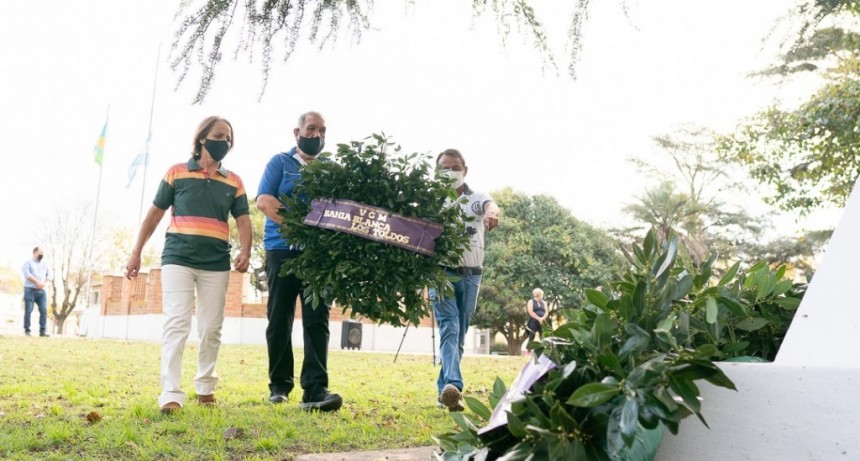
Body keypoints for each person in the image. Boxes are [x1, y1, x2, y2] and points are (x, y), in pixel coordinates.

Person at [125, 116, 251, 414]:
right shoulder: (176, 173)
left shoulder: (233, 181)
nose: (225, 141)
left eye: (229, 138)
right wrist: (136, 252)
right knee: (177, 323)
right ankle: (170, 392)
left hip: (216, 262)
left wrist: (246, 251)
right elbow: (154, 214)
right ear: (203, 138)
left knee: (210, 327)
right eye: (220, 135)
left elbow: (243, 220)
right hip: (178, 258)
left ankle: (205, 387)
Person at [256, 111, 342, 412]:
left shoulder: (331, 169)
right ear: (297, 132)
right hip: (281, 250)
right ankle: (279, 386)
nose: (316, 135)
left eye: (322, 130)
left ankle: (316, 388)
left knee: (317, 319)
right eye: (311, 129)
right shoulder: (279, 163)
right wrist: (300, 224)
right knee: (279, 318)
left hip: (318, 256)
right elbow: (265, 201)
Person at [431, 148, 500, 412]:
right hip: (442, 274)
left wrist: (493, 213)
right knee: (449, 327)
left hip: (472, 276)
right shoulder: (434, 202)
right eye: (444, 168)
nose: (450, 172)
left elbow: (490, 206)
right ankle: (455, 386)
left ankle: (444, 392)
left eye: (455, 167)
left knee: (459, 333)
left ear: (465, 170)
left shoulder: (477, 198)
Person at [22, 246, 52, 337]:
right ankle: (27, 330)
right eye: (40, 252)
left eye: (42, 252)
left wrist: (44, 283)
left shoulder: (45, 264)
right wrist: (37, 282)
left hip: (41, 292)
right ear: (34, 253)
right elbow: (27, 275)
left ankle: (42, 332)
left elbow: (49, 276)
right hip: (29, 290)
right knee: (29, 310)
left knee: (44, 310)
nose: (41, 254)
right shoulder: (28, 263)